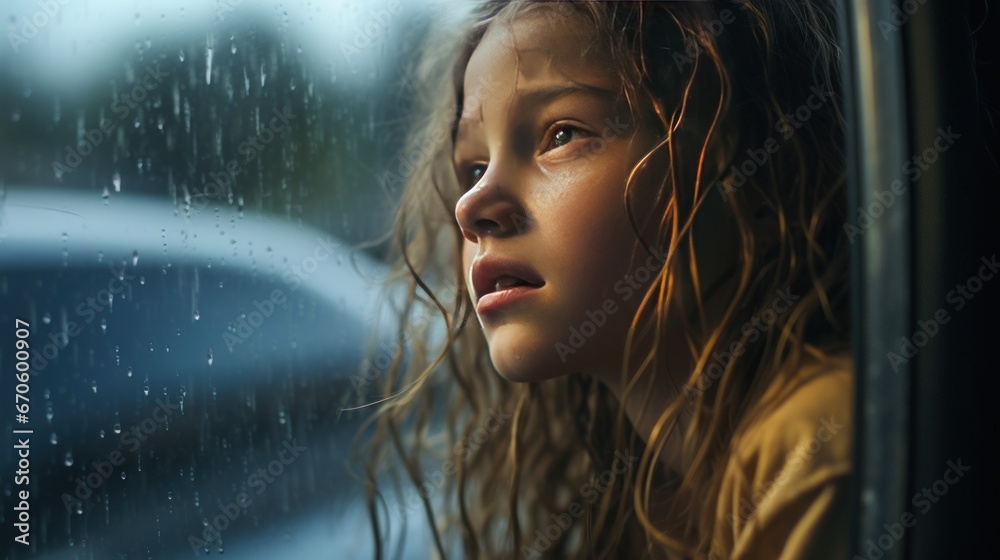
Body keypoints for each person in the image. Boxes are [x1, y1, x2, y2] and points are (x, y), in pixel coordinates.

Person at [351, 1, 852, 558]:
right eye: (472, 168)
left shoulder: (818, 446)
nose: (471, 207)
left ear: (760, 180)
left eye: (562, 134)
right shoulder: (655, 503)